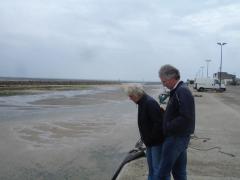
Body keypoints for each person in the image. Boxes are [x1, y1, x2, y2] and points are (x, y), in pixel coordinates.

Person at [158, 64, 195, 180]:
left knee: (162, 173)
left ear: (172, 78)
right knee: (179, 173)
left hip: (175, 138)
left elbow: (186, 117)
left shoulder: (182, 91)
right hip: (179, 137)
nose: (163, 84)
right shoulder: (178, 90)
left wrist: (168, 126)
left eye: (164, 81)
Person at [126, 84, 164, 180]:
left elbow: (158, 124)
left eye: (131, 96)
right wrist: (145, 139)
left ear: (137, 94)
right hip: (149, 142)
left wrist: (150, 139)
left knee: (156, 170)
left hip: (156, 143)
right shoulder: (142, 102)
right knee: (151, 169)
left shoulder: (149, 103)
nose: (130, 99)